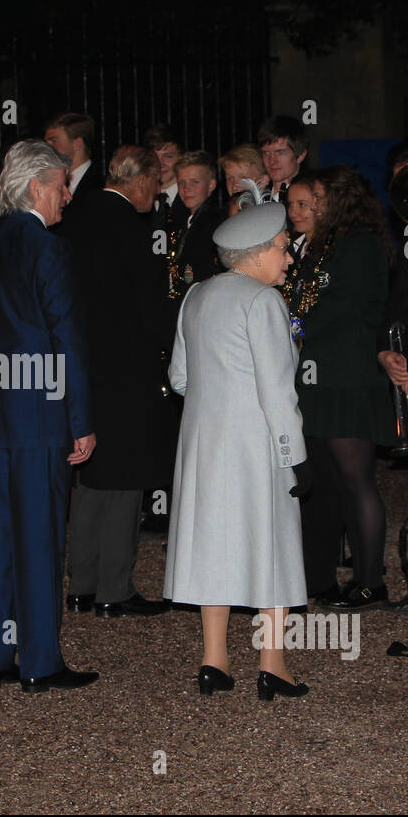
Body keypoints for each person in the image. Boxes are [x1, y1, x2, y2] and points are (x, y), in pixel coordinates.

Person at [0, 138, 97, 693]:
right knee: (38, 539)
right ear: (37, 187)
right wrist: (80, 419)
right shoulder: (46, 249)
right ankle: (40, 662)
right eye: (62, 185)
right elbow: (69, 342)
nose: (66, 195)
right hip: (38, 417)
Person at [164, 195, 311, 700]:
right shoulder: (263, 300)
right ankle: (272, 663)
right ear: (255, 254)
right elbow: (278, 390)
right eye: (282, 249)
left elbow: (179, 377)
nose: (288, 259)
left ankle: (214, 661)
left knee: (214, 543)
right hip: (256, 443)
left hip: (203, 443)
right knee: (271, 541)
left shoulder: (197, 295)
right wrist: (296, 455)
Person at [63, 146, 176, 618]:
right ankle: (114, 588)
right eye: (155, 182)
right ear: (142, 179)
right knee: (126, 478)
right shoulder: (132, 226)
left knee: (91, 476)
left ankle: (81, 582)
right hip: (126, 369)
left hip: (84, 365)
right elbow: (149, 308)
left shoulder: (77, 215)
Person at [285, 165, 396, 609]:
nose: (300, 209)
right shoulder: (324, 245)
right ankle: (331, 576)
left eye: (310, 199)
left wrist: (290, 327)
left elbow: (345, 309)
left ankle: (371, 579)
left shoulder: (360, 244)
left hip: (348, 375)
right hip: (321, 374)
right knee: (327, 481)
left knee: (356, 479)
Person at [170, 150, 223, 289]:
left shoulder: (218, 223)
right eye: (181, 182)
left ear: (211, 185)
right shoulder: (179, 221)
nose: (187, 189)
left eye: (195, 182)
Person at [44, 111, 101, 208]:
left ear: (77, 144)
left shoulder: (99, 187)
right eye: (46, 142)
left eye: (53, 141)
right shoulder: (48, 182)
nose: (47, 147)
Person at [257, 115, 308, 205]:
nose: (272, 161)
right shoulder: (256, 197)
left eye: (280, 152)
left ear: (300, 155)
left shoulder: (310, 199)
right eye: (266, 153)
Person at [218, 144, 268, 217]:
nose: (235, 186)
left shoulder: (269, 215)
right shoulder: (218, 217)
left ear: (262, 181)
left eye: (243, 178)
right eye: (230, 178)